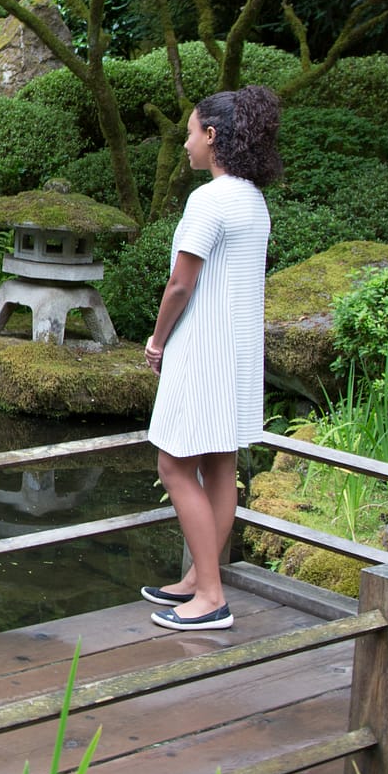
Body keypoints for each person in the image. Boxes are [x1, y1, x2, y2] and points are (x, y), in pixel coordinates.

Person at [139, 85, 283, 630]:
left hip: (202, 346)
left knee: (174, 463)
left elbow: (180, 284)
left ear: (213, 137)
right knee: (220, 461)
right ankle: (201, 579)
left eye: (191, 132)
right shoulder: (252, 198)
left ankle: (211, 599)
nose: (185, 143)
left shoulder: (209, 200)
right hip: (239, 350)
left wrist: (156, 341)